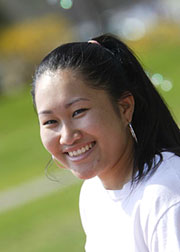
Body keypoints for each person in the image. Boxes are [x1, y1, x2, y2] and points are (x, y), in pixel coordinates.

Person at [31, 34, 180, 252]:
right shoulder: (92, 194)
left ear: (124, 108)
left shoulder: (167, 196)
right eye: (50, 121)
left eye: (78, 111)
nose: (67, 136)